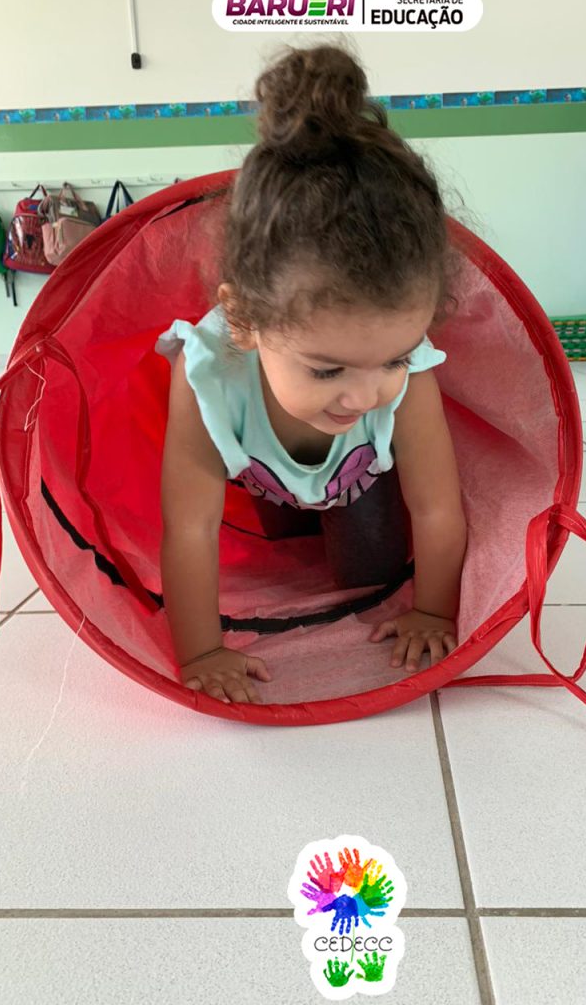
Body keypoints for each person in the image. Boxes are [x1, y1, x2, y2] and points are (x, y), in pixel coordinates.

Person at [156, 41, 468, 705]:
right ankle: (297, 516)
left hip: (358, 485)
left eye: (393, 358)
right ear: (244, 320)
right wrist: (204, 650)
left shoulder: (410, 375)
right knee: (282, 544)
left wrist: (433, 611)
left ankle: (326, 517)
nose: (365, 394)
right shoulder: (206, 372)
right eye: (328, 369)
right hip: (263, 482)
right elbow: (189, 526)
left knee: (364, 574)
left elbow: (437, 506)